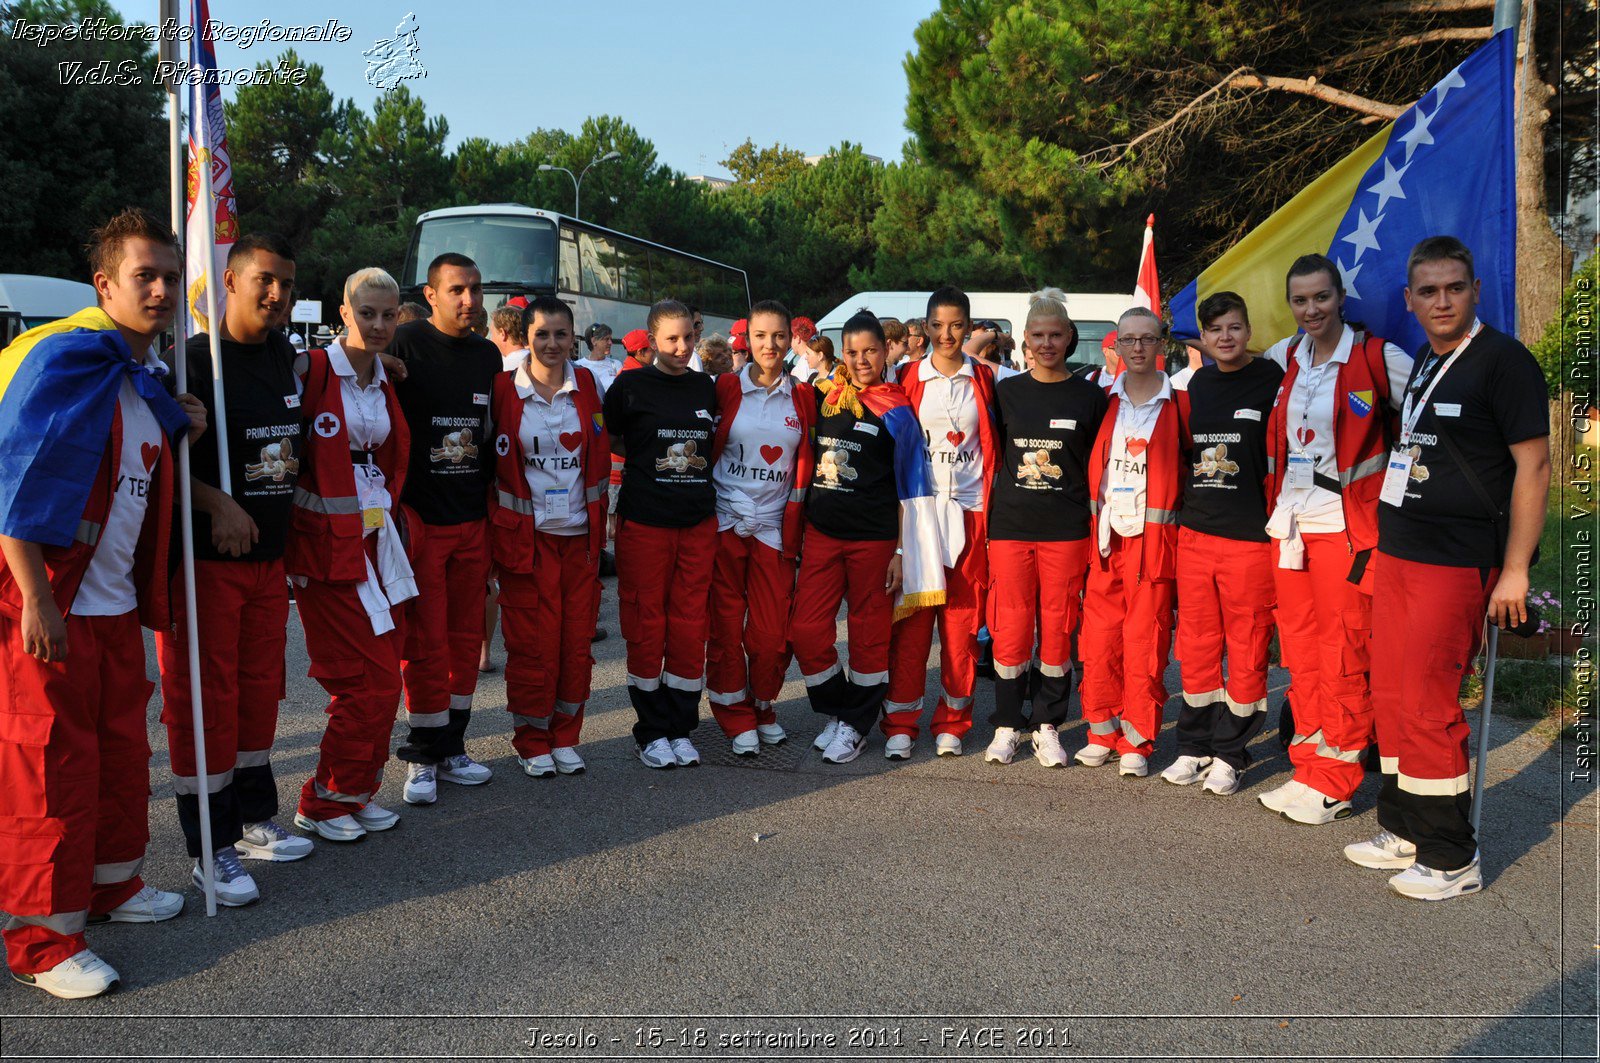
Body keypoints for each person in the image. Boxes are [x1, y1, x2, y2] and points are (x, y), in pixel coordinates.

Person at [0, 208, 206, 999]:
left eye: (166, 275)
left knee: (121, 754)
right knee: (50, 770)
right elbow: (13, 481)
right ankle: (42, 941)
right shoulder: (66, 360)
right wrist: (34, 599)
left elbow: (130, 476)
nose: (158, 289)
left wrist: (180, 424)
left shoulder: (142, 380)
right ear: (104, 285)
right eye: (142, 276)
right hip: (52, 606)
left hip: (115, 608)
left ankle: (114, 884)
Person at [1349, 236, 1550, 899]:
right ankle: (1406, 827)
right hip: (1402, 550)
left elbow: (1534, 466)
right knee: (1394, 696)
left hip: (1458, 561)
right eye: (1428, 291)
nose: (1441, 300)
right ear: (1410, 300)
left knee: (1431, 702)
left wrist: (1515, 568)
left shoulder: (1504, 362)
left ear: (1475, 291)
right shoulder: (1429, 364)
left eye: (1453, 287)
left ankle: (1451, 855)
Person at [155, 233, 314, 910]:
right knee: (206, 702)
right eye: (264, 280)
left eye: (286, 284)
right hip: (206, 567)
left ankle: (251, 818)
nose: (276, 294)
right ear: (230, 280)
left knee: (258, 695)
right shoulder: (188, 364)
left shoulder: (286, 354)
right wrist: (215, 500)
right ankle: (208, 847)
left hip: (267, 563)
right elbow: (153, 466)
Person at [1259, 253, 1411, 824]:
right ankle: (1308, 766)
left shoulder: (1377, 357)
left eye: (1320, 297)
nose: (1310, 309)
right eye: (1300, 300)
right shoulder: (1285, 356)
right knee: (1299, 650)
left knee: (1343, 649)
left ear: (1340, 297)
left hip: (1347, 527)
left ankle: (1339, 777)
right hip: (1290, 522)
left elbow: (1427, 424)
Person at [288, 268, 417, 842]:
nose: (380, 324)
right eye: (368, 313)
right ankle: (322, 801)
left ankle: (357, 790)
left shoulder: (383, 380)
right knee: (360, 680)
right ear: (344, 312)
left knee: (387, 678)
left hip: (376, 541)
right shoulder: (311, 370)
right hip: (324, 551)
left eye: (390, 314)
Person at [791, 311, 939, 763]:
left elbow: (911, 487)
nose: (860, 360)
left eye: (869, 350)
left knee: (868, 636)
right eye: (852, 352)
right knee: (805, 630)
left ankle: (854, 726)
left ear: (885, 350)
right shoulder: (823, 397)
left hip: (874, 540)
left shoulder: (898, 410)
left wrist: (900, 549)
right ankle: (844, 709)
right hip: (822, 534)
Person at [389, 253, 502, 806]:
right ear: (431, 295)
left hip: (471, 520)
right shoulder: (404, 343)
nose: (469, 301)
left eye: (476, 290)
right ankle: (423, 755)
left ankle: (453, 747)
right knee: (425, 641)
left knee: (464, 640)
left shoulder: (486, 355)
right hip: (422, 521)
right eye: (457, 289)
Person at [982, 289, 1107, 767]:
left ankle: (1048, 724)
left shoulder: (1090, 396)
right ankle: (1009, 724)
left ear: (1070, 337)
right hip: (1012, 526)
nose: (1047, 343)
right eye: (1038, 335)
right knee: (1011, 626)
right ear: (1026, 340)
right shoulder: (1006, 392)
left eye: (1056, 334)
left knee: (1057, 630)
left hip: (1066, 530)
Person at [1164, 292, 1283, 795]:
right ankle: (1193, 747)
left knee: (1248, 645)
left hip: (1250, 539)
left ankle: (1231, 753)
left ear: (1248, 329)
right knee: (1195, 647)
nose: (1226, 337)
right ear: (1204, 338)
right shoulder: (1192, 388)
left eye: (1234, 327)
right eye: (1215, 330)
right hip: (1196, 533)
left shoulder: (1273, 382)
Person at [489, 296, 610, 778]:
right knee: (532, 646)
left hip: (579, 540)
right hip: (527, 541)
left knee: (576, 643)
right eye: (542, 334)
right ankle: (532, 739)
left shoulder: (589, 384)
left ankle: (565, 734)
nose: (553, 343)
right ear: (527, 337)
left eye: (562, 334)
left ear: (573, 338)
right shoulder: (503, 389)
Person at [603, 299, 719, 769]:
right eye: (671, 339)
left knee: (690, 629)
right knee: (645, 626)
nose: (682, 347)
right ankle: (650, 730)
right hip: (645, 523)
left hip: (696, 524)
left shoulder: (708, 388)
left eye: (688, 337)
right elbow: (611, 440)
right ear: (650, 341)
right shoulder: (628, 385)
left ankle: (680, 726)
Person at [884, 286, 998, 758]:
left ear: (969, 327)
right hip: (919, 518)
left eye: (957, 325)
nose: (947, 334)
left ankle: (953, 719)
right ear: (925, 328)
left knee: (962, 627)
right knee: (910, 629)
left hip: (969, 516)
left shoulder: (987, 379)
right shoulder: (906, 376)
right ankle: (901, 723)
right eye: (938, 325)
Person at [705, 301, 816, 755]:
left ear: (790, 341)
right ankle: (735, 716)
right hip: (724, 525)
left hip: (775, 530)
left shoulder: (806, 397)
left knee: (771, 635)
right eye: (760, 337)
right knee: (727, 628)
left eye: (778, 337)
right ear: (746, 340)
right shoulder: (723, 388)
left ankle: (764, 705)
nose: (769, 346)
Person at [1078, 307, 1181, 777]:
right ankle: (1101, 727)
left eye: (1147, 339)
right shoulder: (1101, 401)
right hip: (1106, 540)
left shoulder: (1181, 405)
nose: (1138, 348)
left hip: (1153, 543)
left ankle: (1138, 738)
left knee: (1146, 639)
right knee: (1099, 639)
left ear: (1161, 345)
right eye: (1129, 340)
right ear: (1116, 346)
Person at [581, 323, 620, 392]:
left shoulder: (616, 365)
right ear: (594, 341)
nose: (610, 343)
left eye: (610, 339)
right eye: (606, 339)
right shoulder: (579, 366)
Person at [488, 304, 528, 371]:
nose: (491, 339)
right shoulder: (538, 361)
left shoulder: (501, 368)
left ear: (502, 333)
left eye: (492, 333)